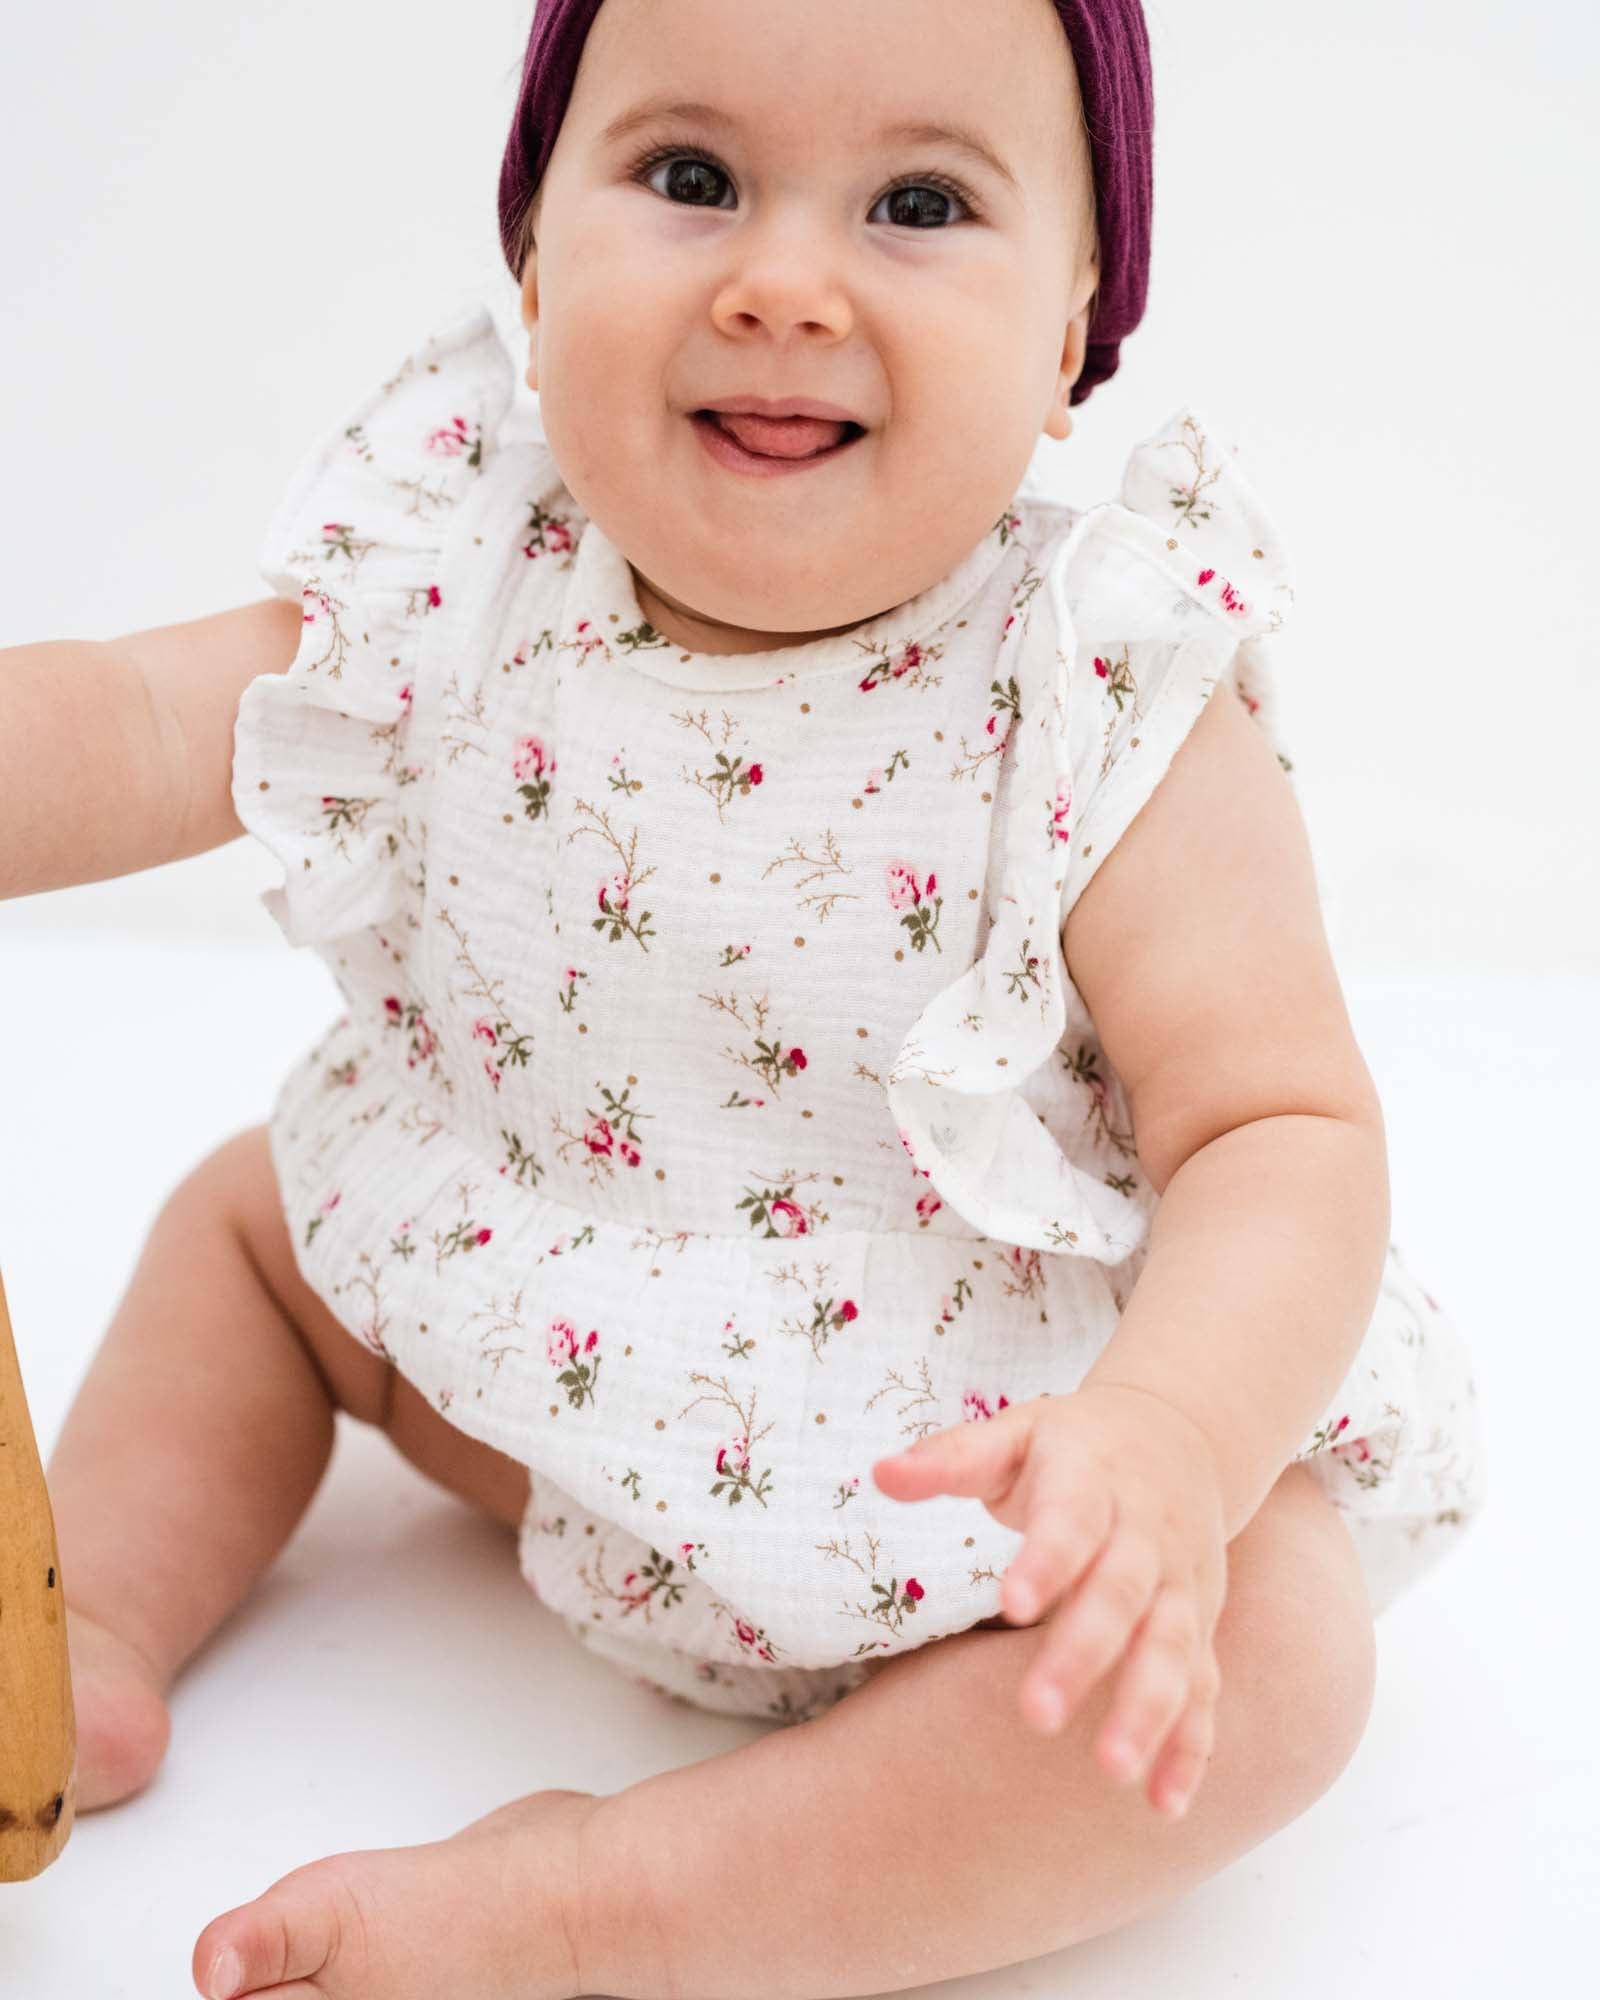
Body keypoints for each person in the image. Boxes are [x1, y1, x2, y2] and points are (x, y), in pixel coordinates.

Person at [9, 1, 1486, 1994]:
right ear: (535, 257)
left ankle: (618, 1897)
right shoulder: (454, 575)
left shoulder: (1095, 692)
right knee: (251, 1235)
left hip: (970, 1493)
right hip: (539, 1380)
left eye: (916, 205)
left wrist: (1172, 1435)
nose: (783, 285)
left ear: (1071, 327)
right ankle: (84, 1618)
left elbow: (1278, 1130)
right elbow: (135, 715)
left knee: (1274, 1655)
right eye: (690, 177)